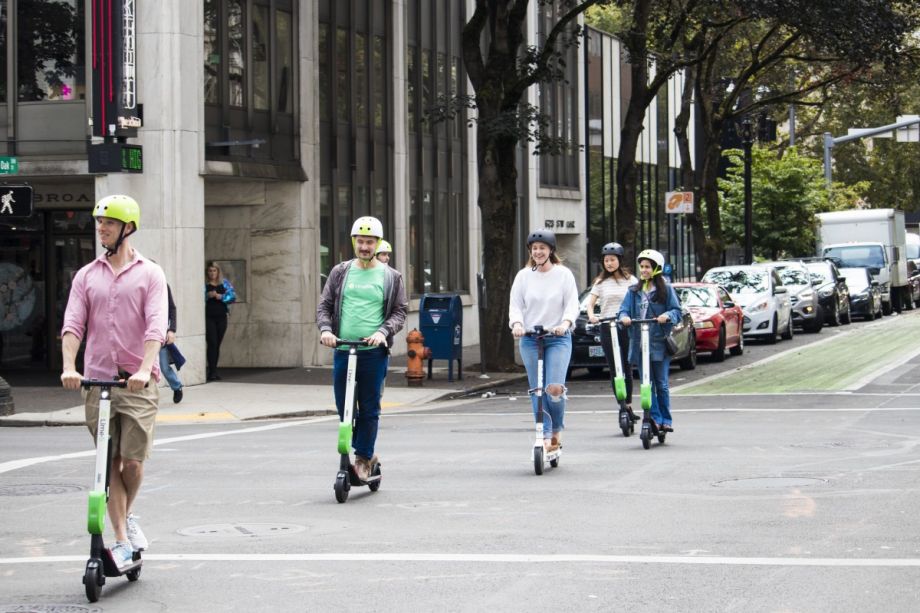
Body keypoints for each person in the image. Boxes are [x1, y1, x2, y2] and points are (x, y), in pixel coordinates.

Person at [60, 194, 167, 569]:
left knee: (132, 464)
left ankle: (129, 514)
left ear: (128, 227)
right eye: (99, 222)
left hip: (137, 384)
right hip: (97, 382)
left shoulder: (150, 273)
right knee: (109, 462)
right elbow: (73, 324)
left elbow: (156, 325)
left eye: (107, 222)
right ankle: (121, 538)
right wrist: (69, 366)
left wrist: (144, 367)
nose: (100, 228)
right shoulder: (86, 276)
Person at [316, 216, 408, 481]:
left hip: (373, 353)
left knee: (369, 408)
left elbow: (400, 312)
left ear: (378, 244)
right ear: (353, 242)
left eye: (369, 242)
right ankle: (364, 450)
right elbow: (324, 305)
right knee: (343, 407)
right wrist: (326, 330)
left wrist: (382, 332)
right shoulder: (340, 272)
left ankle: (363, 458)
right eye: (360, 241)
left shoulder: (391, 276)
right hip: (344, 349)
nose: (364, 246)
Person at [509, 229, 580, 452]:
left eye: (542, 248)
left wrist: (565, 324)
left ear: (551, 250)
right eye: (535, 248)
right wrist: (517, 325)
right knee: (537, 390)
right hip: (531, 338)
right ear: (531, 250)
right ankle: (545, 435)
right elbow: (516, 305)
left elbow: (572, 304)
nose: (538, 252)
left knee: (554, 388)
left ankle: (557, 429)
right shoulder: (523, 276)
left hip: (557, 338)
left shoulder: (563, 274)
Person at [617, 249, 682, 432]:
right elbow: (622, 310)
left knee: (661, 383)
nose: (643, 270)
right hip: (640, 344)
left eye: (647, 267)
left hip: (659, 343)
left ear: (656, 269)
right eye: (642, 266)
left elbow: (677, 311)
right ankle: (653, 417)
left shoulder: (666, 290)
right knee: (647, 383)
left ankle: (665, 419)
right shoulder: (633, 291)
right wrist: (624, 318)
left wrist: (666, 316)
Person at [586, 242, 639, 420]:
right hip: (607, 326)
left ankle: (629, 405)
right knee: (614, 368)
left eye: (612, 260)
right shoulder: (600, 282)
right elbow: (590, 304)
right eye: (606, 260)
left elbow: (640, 299)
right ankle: (621, 405)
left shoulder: (630, 280)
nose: (609, 263)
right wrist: (593, 315)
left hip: (626, 326)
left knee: (626, 366)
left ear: (619, 260)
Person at [205, 261, 236, 381]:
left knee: (217, 344)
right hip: (209, 317)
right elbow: (198, 298)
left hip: (222, 316)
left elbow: (232, 297)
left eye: (214, 270)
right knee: (212, 343)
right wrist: (208, 295)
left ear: (218, 272)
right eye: (210, 271)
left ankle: (214, 370)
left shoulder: (224, 283)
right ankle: (211, 372)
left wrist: (221, 296)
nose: (212, 273)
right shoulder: (204, 284)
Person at [159, 284, 184, 403]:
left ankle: (176, 386)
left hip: (160, 334)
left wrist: (172, 330)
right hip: (141, 335)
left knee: (164, 366)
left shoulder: (163, 285)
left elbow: (172, 308)